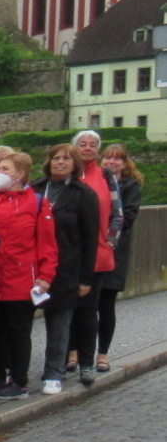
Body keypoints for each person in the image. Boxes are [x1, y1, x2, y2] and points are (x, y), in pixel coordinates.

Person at [0, 152, 56, 400]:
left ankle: (19, 380)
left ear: (20, 174)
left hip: (20, 280)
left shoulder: (37, 203)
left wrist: (45, 276)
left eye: (5, 169)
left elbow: (48, 245)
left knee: (18, 332)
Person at [29, 146, 100, 396]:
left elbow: (91, 238)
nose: (61, 162)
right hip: (32, 267)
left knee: (59, 324)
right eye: (56, 158)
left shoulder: (83, 194)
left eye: (67, 159)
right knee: (21, 323)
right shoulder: (35, 188)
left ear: (75, 164)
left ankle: (53, 373)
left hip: (68, 267)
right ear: (48, 162)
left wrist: (86, 277)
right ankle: (16, 372)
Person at [69, 130, 121, 382]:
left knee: (88, 310)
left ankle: (86, 363)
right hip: (67, 254)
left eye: (92, 145)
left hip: (97, 253)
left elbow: (118, 213)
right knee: (64, 308)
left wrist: (110, 241)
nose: (87, 148)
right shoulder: (66, 172)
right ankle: (67, 355)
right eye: (82, 144)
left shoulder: (106, 175)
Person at [97, 143, 144, 373]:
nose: (111, 162)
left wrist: (106, 233)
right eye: (107, 158)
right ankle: (74, 354)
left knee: (106, 305)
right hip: (93, 251)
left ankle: (102, 355)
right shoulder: (95, 181)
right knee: (84, 306)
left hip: (115, 251)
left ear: (125, 163)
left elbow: (129, 216)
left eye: (117, 159)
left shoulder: (130, 186)